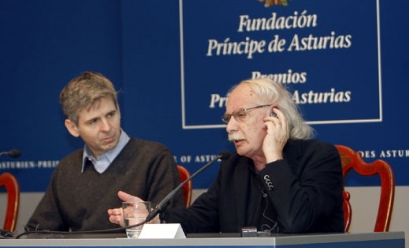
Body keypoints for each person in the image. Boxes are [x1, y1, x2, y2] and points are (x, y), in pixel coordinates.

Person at [108, 77, 344, 234]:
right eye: (228, 118)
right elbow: (201, 218)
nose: (230, 127)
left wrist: (273, 157)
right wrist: (153, 220)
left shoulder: (320, 158)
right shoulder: (234, 166)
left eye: (240, 115)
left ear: (275, 116)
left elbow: (296, 221)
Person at [25, 71, 184, 232]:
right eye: (94, 121)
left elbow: (170, 230)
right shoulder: (66, 169)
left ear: (119, 110)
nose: (107, 128)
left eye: (110, 114)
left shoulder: (155, 158)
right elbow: (37, 232)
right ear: (73, 128)